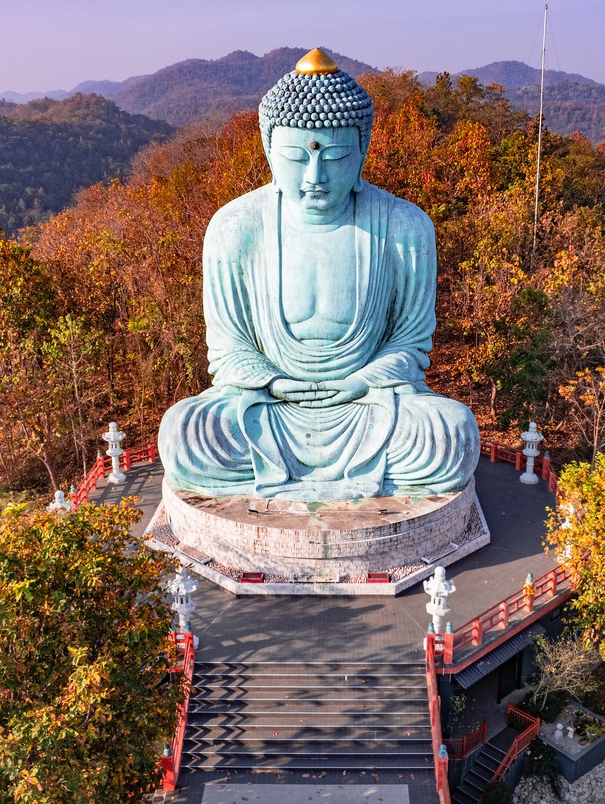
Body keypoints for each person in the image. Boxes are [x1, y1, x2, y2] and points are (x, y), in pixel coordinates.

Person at [159, 49, 479, 500]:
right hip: (269, 405)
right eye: (296, 156)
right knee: (185, 434)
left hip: (369, 403)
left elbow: (410, 343)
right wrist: (272, 381)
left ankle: (312, 477)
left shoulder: (404, 226)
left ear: (363, 150)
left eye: (335, 156)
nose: (315, 175)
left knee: (450, 435)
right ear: (269, 149)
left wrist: (360, 382)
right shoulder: (234, 227)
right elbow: (228, 349)